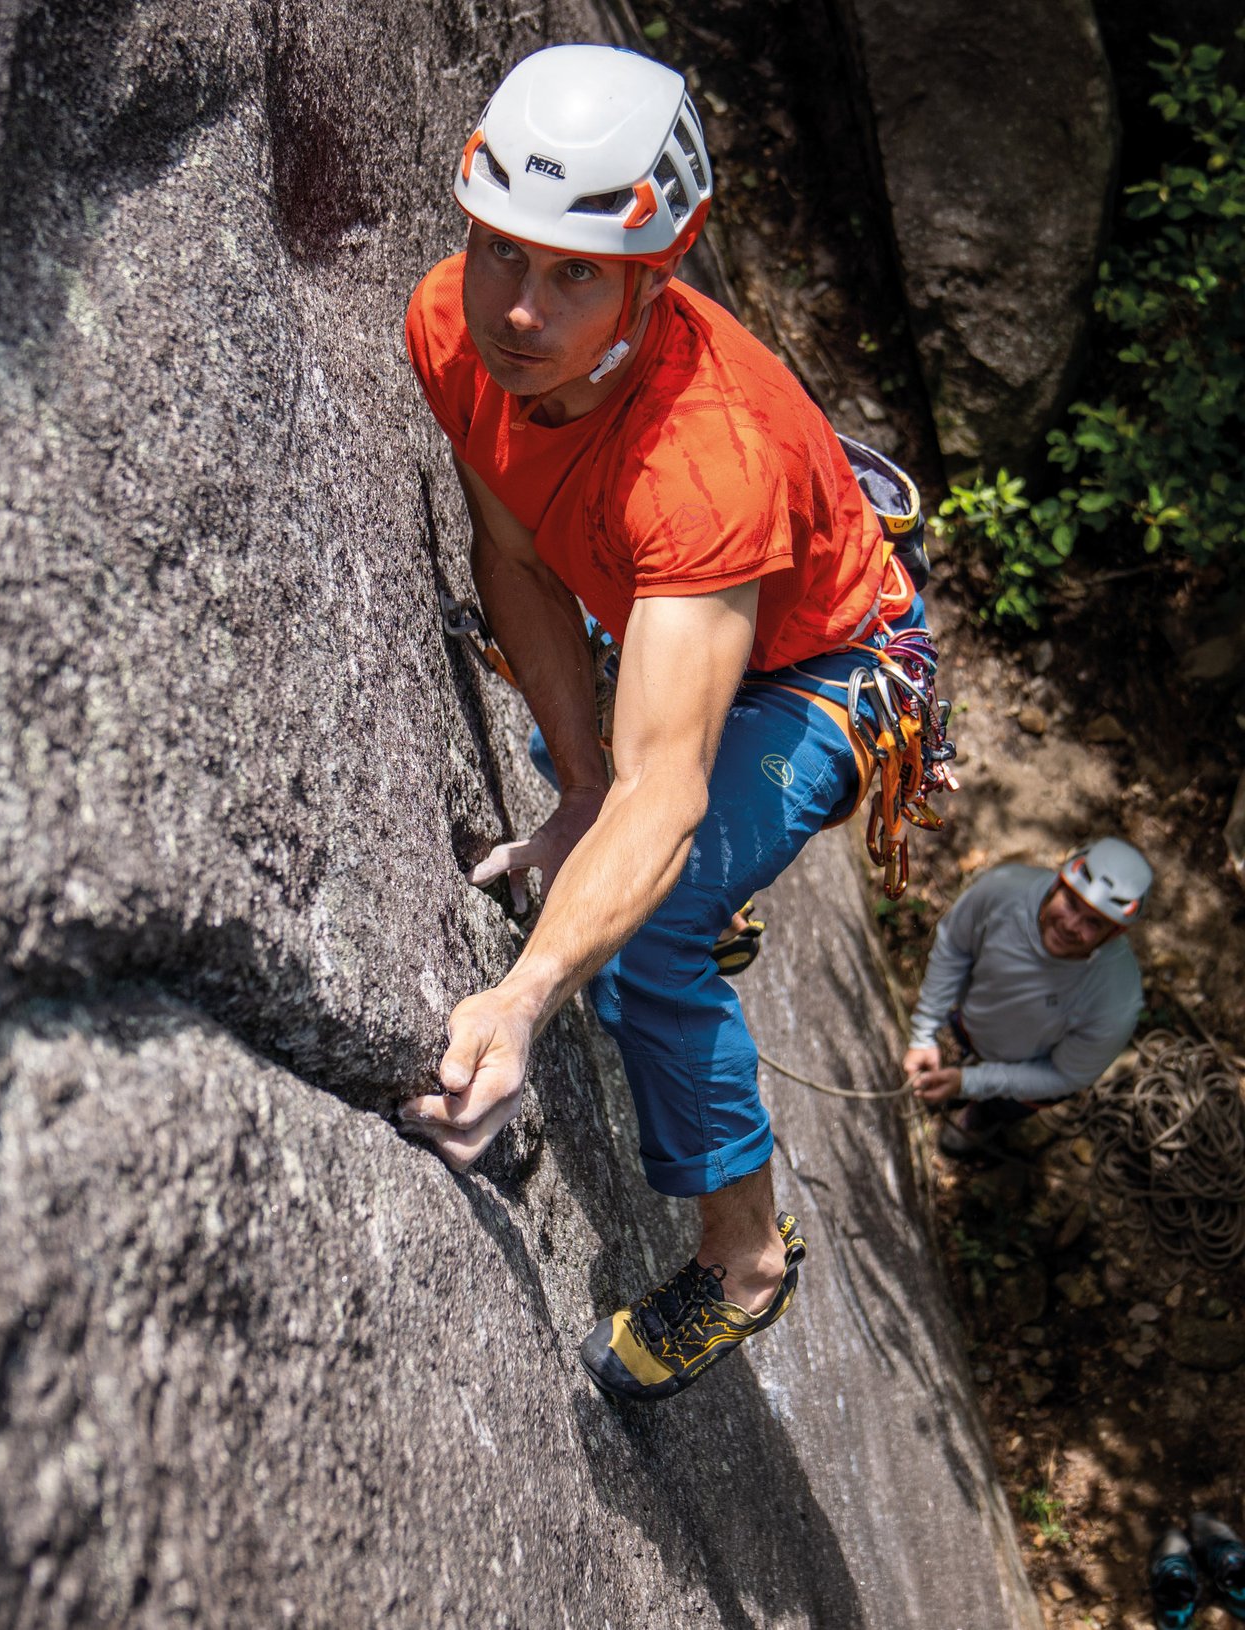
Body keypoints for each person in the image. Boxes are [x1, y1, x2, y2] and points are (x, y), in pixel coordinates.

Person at [402, 42, 938, 1401]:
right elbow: (515, 554)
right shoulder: (452, 327)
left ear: (654, 270)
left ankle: (748, 1261)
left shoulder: (706, 459)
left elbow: (665, 785)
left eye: (575, 273)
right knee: (586, 798)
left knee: (648, 941)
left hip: (824, 659)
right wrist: (577, 786)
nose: (520, 310)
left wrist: (528, 997)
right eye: (502, 250)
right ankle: (691, 891)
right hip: (677, 609)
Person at [902, 837, 1151, 1157]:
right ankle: (960, 1080)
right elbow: (954, 946)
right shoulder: (1003, 892)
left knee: (1000, 1107)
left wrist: (971, 1082)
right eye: (1072, 903)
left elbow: (1064, 1074)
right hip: (975, 1024)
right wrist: (924, 1033)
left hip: (1031, 1073)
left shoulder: (1115, 998)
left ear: (1114, 934)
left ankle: (978, 1118)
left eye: (1094, 923)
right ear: (1056, 886)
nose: (1071, 925)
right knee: (968, 1054)